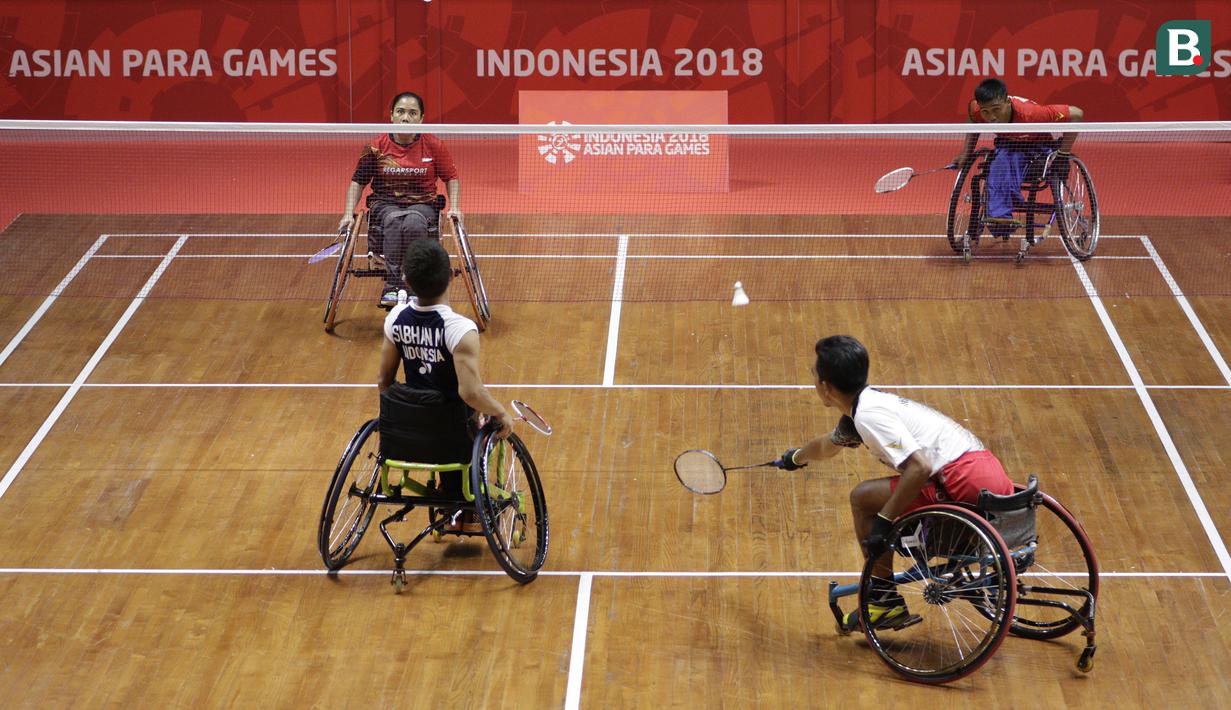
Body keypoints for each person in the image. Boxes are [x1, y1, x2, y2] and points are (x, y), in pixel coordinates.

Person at [775, 335, 1015, 629]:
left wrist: (884, 520)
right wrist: (795, 458)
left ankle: (883, 601)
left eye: (814, 374)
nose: (812, 379)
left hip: (963, 483)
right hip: (990, 475)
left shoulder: (869, 416)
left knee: (863, 498)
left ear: (826, 387)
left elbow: (919, 468)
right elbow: (828, 445)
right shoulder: (869, 404)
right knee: (883, 497)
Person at [377, 238, 512, 532]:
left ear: (406, 279)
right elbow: (471, 392)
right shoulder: (460, 329)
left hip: (403, 436)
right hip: (452, 438)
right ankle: (466, 511)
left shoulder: (395, 319)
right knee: (480, 419)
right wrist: (501, 413)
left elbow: (384, 382)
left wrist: (407, 416)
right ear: (451, 276)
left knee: (446, 418)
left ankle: (451, 506)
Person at [341, 91, 462, 306]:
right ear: (392, 115)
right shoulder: (376, 147)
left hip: (423, 204)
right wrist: (347, 213)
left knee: (414, 223)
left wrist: (456, 207)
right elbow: (358, 181)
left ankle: (412, 287)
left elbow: (451, 177)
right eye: (401, 111)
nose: (406, 117)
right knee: (395, 221)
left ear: (421, 118)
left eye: (412, 113)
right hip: (385, 205)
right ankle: (393, 286)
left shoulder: (433, 145)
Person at [954, 78, 1084, 241]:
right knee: (1001, 163)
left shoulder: (1032, 113)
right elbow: (973, 121)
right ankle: (1000, 218)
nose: (992, 117)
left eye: (996, 110)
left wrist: (1064, 154)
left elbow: (1077, 114)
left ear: (1007, 102)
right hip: (1008, 145)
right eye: (986, 112)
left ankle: (1001, 212)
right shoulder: (977, 109)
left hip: (1038, 146)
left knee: (1006, 162)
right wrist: (966, 153)